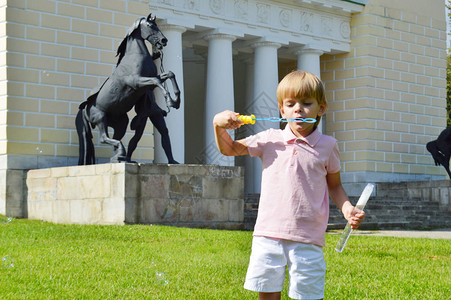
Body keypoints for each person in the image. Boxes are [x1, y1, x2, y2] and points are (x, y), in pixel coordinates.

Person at [212, 70, 365, 300]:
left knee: (308, 296)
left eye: (306, 103)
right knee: (268, 295)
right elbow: (230, 149)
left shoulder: (328, 145)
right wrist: (218, 125)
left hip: (308, 237)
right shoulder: (269, 138)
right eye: (290, 104)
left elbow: (334, 186)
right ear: (282, 110)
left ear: (321, 108)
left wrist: (347, 209)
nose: (298, 109)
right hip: (268, 234)